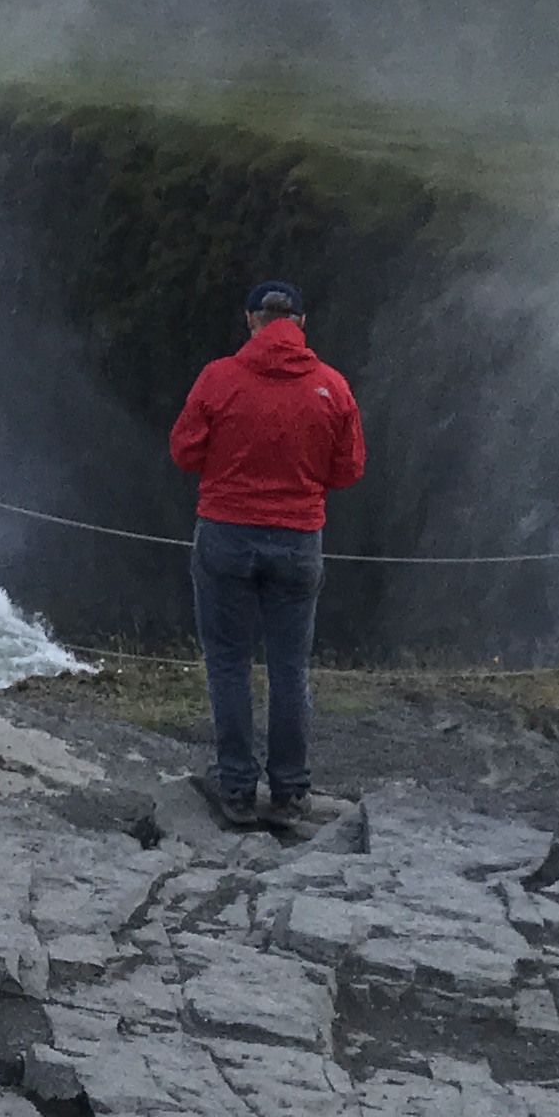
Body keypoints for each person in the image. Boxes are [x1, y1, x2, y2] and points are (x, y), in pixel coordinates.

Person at [166, 278, 366, 835]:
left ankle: (235, 788)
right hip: (298, 539)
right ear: (301, 324)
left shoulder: (219, 378)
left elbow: (184, 451)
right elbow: (349, 469)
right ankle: (290, 792)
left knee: (229, 663)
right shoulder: (332, 386)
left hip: (227, 533)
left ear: (251, 320)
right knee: (289, 668)